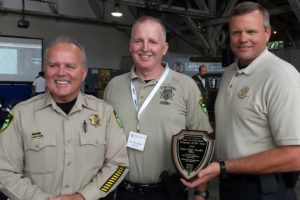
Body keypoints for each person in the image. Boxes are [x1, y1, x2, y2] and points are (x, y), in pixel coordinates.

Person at [181, 2, 300, 200]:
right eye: (236, 32)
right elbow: (235, 128)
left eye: (251, 31)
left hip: (264, 191)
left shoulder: (281, 76)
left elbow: (295, 156)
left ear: (267, 32)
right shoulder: (229, 72)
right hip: (230, 186)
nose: (243, 39)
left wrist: (223, 166)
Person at [0, 36, 129, 200]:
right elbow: (3, 170)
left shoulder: (106, 114)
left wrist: (83, 196)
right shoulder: (20, 115)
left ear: (83, 74)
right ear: (45, 70)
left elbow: (118, 164)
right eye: (53, 65)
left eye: (70, 66)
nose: (61, 72)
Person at [104, 16, 213, 200]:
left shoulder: (185, 85)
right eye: (139, 41)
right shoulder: (113, 86)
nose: (145, 48)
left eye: (153, 42)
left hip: (168, 191)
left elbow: (202, 141)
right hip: (120, 191)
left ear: (164, 48)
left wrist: (201, 193)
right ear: (131, 45)